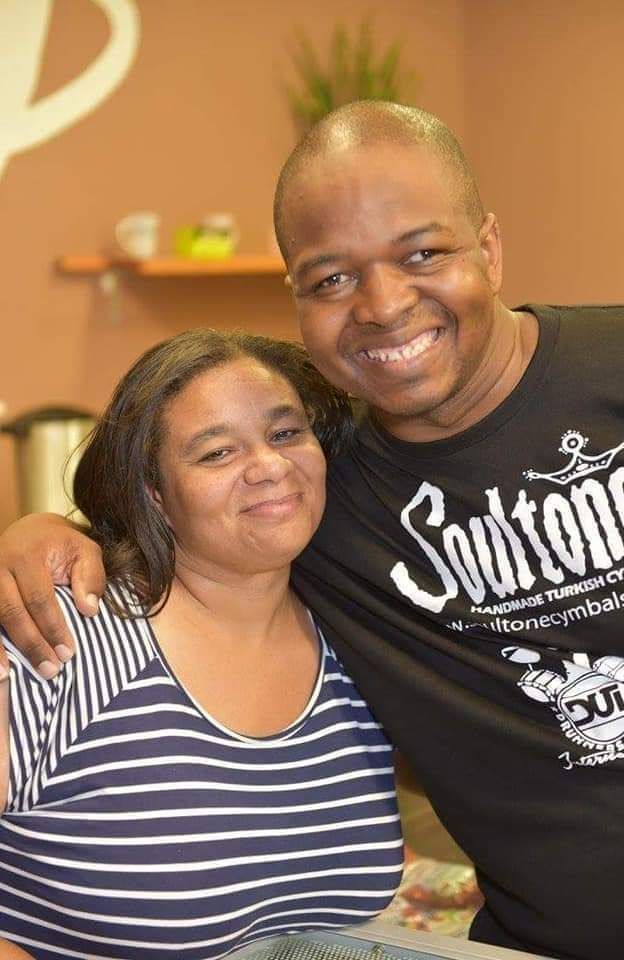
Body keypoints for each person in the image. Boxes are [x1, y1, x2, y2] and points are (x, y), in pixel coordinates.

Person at [0, 100, 624, 959]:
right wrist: (38, 533)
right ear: (297, 293)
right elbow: (201, 517)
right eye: (333, 278)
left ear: (488, 248)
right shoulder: (336, 498)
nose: (381, 305)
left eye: (422, 252)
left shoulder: (621, 370)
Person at [0, 329, 403, 959]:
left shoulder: (353, 637)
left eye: (285, 433)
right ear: (155, 495)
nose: (270, 465)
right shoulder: (61, 631)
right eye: (216, 453)